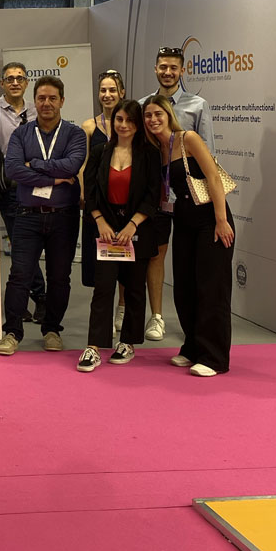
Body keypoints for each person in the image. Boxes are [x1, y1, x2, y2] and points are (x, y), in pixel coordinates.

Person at [143, 94, 235, 376]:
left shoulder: (188, 139)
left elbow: (214, 177)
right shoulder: (155, 149)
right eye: (148, 115)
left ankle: (214, 357)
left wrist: (221, 220)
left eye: (158, 114)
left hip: (210, 219)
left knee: (211, 289)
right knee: (184, 288)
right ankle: (193, 347)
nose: (153, 119)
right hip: (182, 221)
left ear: (168, 115)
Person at [0, 76, 86, 355]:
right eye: (41, 98)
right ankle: (12, 332)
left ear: (62, 101)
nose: (46, 103)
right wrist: (54, 178)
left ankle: (52, 330)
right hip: (27, 216)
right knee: (19, 275)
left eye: (52, 98)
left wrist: (34, 164)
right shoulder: (21, 134)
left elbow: (72, 165)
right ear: (34, 102)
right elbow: (13, 170)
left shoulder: (74, 134)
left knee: (59, 277)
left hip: (64, 217)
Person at [76, 100, 160, 373]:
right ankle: (94, 346)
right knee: (103, 287)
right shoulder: (100, 151)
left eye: (129, 120)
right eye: (119, 120)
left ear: (138, 124)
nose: (123, 125)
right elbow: (90, 192)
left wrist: (133, 224)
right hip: (107, 229)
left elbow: (153, 195)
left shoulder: (150, 154)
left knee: (134, 288)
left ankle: (128, 343)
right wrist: (99, 220)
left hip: (137, 229)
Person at [142, 46, 215, 343]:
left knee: (191, 265)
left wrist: (215, 210)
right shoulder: (144, 105)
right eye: (163, 67)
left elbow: (209, 157)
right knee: (156, 255)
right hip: (158, 198)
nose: (168, 72)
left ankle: (196, 330)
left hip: (191, 200)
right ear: (155, 69)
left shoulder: (198, 105)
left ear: (182, 70)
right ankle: (157, 317)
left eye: (173, 67)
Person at [0, 60, 45, 320]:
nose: (15, 82)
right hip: (9, 187)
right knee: (22, 243)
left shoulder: (36, 109)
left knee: (25, 243)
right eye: (10, 78)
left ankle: (24, 299)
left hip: (36, 184)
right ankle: (38, 297)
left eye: (20, 78)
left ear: (26, 83)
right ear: (2, 83)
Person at [79, 69, 128, 325]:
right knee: (100, 261)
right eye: (103, 90)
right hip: (97, 203)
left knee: (124, 256)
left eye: (112, 90)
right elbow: (84, 164)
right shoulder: (89, 126)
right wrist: (84, 195)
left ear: (122, 93)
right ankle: (104, 313)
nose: (107, 95)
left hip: (123, 201)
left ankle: (122, 307)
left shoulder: (130, 124)